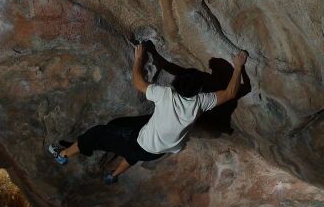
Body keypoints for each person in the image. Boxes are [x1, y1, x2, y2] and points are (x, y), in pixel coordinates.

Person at [48, 42, 248, 184]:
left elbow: (138, 82)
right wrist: (239, 66)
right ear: (199, 90)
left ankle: (62, 155)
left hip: (141, 142)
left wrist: (138, 59)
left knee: (97, 133)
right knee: (130, 138)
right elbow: (231, 92)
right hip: (156, 152)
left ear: (176, 84)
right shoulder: (201, 101)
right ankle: (112, 176)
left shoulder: (166, 94)